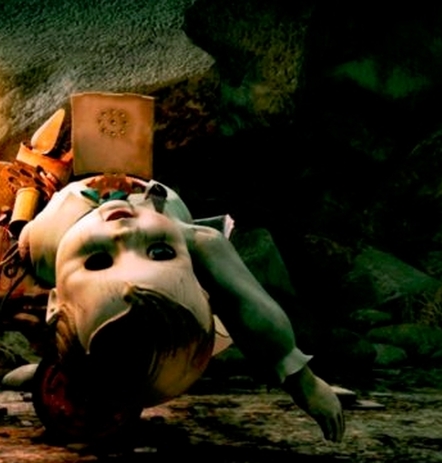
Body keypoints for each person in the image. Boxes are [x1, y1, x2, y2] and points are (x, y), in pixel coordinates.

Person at [18, 174, 345, 442]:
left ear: (55, 300)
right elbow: (243, 301)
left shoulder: (40, 247)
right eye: (159, 252)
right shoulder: (193, 239)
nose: (122, 232)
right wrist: (301, 379)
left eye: (99, 259)